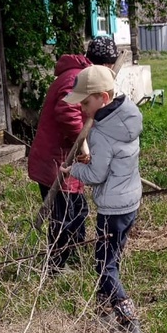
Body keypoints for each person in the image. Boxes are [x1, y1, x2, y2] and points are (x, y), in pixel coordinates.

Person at [63, 64, 144, 333]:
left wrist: (72, 169)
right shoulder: (127, 117)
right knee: (113, 257)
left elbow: (96, 175)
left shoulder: (100, 133)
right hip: (131, 201)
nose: (83, 109)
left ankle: (129, 318)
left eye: (86, 102)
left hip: (112, 207)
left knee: (103, 264)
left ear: (103, 99)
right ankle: (105, 312)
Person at [27, 37, 119, 269]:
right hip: (56, 160)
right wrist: (84, 146)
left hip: (66, 158)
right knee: (64, 215)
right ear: (104, 65)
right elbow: (67, 113)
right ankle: (56, 266)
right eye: (109, 67)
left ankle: (76, 256)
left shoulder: (86, 76)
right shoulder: (76, 78)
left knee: (77, 209)